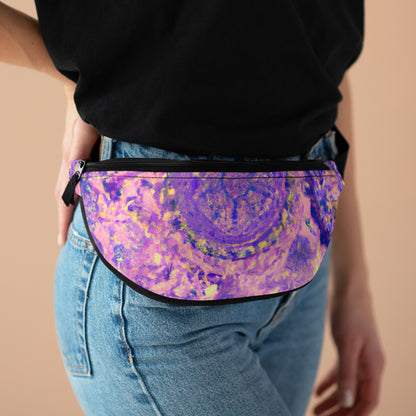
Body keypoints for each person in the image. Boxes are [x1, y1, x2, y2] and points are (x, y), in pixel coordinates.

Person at [0, 1, 385, 415]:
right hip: (155, 289)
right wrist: (76, 80)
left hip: (303, 256)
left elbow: (323, 58)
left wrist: (353, 285)